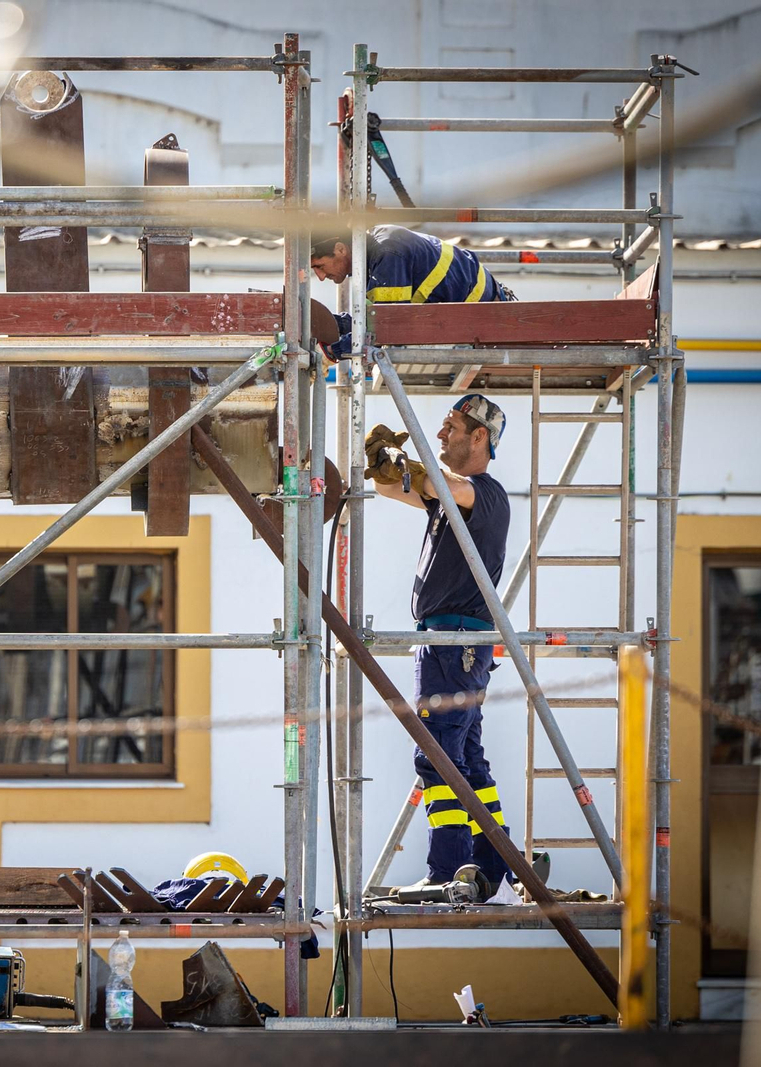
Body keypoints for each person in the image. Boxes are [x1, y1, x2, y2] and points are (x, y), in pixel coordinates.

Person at [365, 393, 515, 896]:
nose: (442, 435)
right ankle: (491, 863)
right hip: (455, 645)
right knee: (466, 756)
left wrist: (403, 463)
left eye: (451, 427)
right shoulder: (451, 496)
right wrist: (386, 469)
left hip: (453, 644)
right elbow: (396, 490)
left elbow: (436, 483)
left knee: (438, 756)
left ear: (480, 437)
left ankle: (450, 867)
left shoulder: (482, 494)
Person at [310, 224, 516, 357]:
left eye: (319, 266)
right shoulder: (375, 256)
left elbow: (387, 327)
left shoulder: (387, 253)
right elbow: (372, 320)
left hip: (492, 320)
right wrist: (331, 325)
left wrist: (333, 351)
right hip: (479, 316)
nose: (320, 277)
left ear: (340, 249)